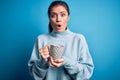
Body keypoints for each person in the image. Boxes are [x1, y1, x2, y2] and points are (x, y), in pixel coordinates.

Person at [28, 1, 94, 80]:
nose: (58, 19)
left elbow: (86, 74)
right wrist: (42, 61)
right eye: (53, 15)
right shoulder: (41, 39)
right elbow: (34, 76)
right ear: (49, 18)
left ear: (68, 17)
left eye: (62, 15)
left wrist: (66, 61)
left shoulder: (78, 39)